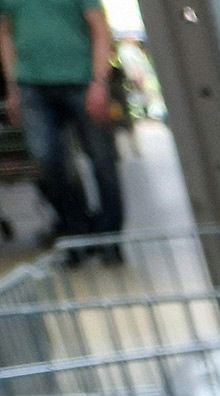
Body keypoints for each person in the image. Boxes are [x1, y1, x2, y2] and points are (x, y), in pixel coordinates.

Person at [0, 0, 122, 261]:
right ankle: (77, 231)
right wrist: (13, 88)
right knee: (47, 160)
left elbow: (100, 30)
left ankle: (110, 237)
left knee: (103, 161)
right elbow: (5, 34)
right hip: (32, 86)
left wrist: (100, 81)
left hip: (83, 81)